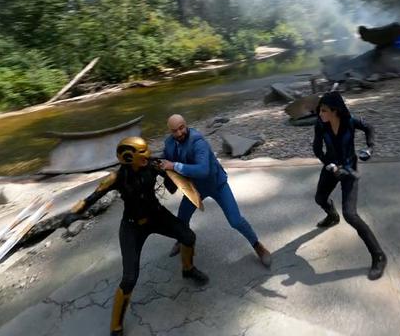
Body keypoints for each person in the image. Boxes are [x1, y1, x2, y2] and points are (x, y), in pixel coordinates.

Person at [68, 136, 209, 336]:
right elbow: (91, 198)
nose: (147, 155)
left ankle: (188, 269)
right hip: (132, 226)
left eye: (146, 151)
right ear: (127, 156)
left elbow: (172, 188)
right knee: (129, 279)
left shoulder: (152, 166)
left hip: (157, 216)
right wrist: (71, 214)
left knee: (188, 237)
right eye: (141, 153)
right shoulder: (116, 178)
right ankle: (116, 327)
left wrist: (166, 174)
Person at [158, 114, 272, 268]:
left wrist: (174, 166)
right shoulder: (170, 143)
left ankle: (257, 245)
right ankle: (181, 240)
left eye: (181, 128)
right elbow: (164, 158)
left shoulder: (198, 142)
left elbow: (203, 170)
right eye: (174, 131)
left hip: (216, 184)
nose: (178, 133)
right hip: (194, 187)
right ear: (170, 132)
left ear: (186, 125)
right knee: (182, 218)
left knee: (236, 221)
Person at [311, 91, 387, 280]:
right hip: (331, 167)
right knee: (319, 198)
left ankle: (379, 256)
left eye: (324, 111)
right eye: (320, 110)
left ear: (335, 111)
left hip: (348, 170)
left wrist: (369, 147)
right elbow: (317, 148)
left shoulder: (351, 121)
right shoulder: (320, 124)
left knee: (351, 215)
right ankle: (332, 215)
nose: (320, 114)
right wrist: (328, 164)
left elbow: (370, 127)